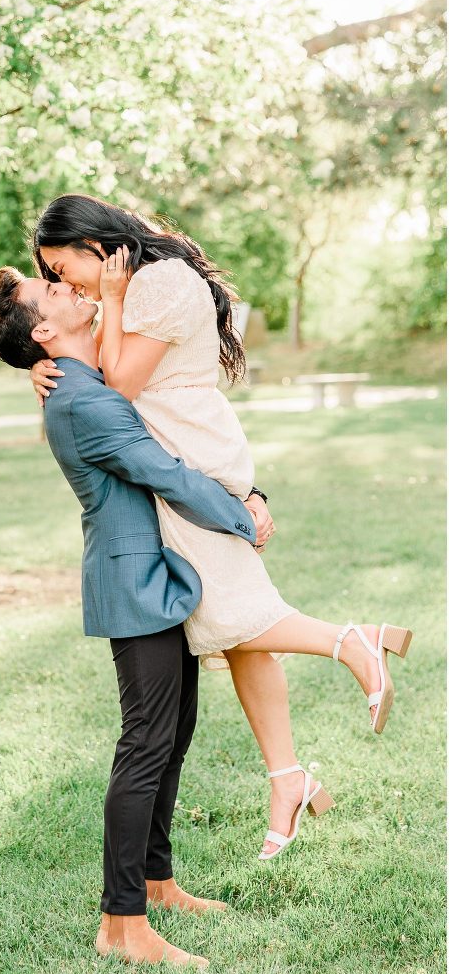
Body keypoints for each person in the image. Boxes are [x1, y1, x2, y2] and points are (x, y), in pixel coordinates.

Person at [30, 192, 413, 862]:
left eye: (64, 269)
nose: (64, 285)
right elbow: (89, 368)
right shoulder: (128, 288)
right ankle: (288, 779)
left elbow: (117, 385)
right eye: (54, 278)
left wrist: (111, 302)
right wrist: (42, 361)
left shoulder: (153, 284)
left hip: (191, 466)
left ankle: (354, 642)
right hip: (181, 463)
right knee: (233, 624)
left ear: (97, 248)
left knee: (229, 615)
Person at [0, 266, 266, 968]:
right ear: (45, 330)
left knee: (174, 732)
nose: (67, 285)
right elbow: (166, 471)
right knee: (145, 743)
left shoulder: (85, 382)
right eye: (51, 292)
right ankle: (121, 922)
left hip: (155, 572)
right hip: (133, 578)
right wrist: (248, 511)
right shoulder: (82, 400)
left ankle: (158, 881)